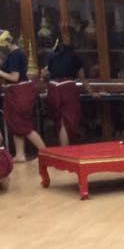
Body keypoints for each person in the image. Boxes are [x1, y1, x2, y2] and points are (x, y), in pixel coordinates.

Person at [45, 43, 104, 146]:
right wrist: (92, 93)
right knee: (67, 121)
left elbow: (45, 74)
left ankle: (62, 146)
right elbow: (83, 79)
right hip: (67, 88)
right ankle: (65, 149)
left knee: (59, 120)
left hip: (52, 88)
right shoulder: (75, 58)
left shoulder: (51, 57)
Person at [0, 30, 46, 162]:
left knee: (23, 125)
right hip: (15, 92)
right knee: (15, 123)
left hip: (20, 92)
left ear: (6, 43)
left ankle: (45, 153)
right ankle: (20, 154)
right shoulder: (14, 54)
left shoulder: (15, 55)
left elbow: (14, 77)